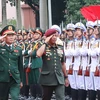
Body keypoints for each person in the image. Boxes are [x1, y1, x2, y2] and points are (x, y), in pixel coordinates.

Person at [37, 28, 69, 100]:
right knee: (46, 98)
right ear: (48, 37)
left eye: (56, 35)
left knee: (61, 97)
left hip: (59, 78)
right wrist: (45, 42)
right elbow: (38, 54)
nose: (55, 37)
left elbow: (63, 63)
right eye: (52, 35)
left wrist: (66, 77)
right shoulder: (44, 47)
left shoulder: (60, 48)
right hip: (47, 79)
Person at [0, 25, 23, 100]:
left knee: (15, 97)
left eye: (12, 35)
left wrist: (21, 80)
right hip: (2, 78)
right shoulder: (1, 47)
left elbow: (20, 66)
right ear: (4, 37)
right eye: (8, 35)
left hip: (15, 78)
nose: (11, 37)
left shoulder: (18, 49)